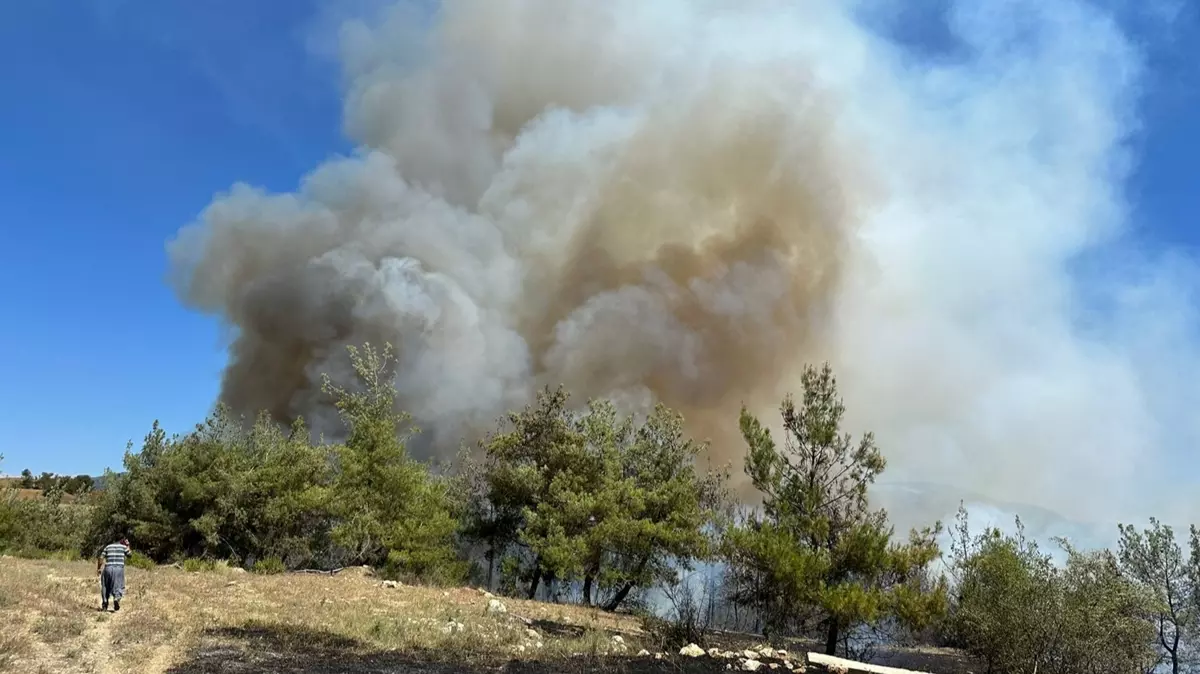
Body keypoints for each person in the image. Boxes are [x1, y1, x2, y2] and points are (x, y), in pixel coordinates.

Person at [97, 536, 132, 611]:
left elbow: (101, 557)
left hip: (108, 568)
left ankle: (105, 602)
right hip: (119, 568)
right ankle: (116, 598)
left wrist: (99, 568)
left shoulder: (108, 547)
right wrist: (128, 545)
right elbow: (129, 555)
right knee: (119, 585)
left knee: (105, 586)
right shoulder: (123, 547)